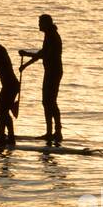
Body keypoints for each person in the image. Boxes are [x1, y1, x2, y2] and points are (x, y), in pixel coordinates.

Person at [18, 14, 62, 145]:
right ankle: (50, 132)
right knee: (46, 102)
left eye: (40, 22)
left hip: (54, 72)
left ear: (46, 24)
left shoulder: (53, 36)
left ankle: (57, 132)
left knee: (51, 102)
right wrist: (25, 65)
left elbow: (45, 55)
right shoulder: (49, 35)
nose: (38, 25)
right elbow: (42, 52)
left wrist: (27, 55)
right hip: (49, 72)